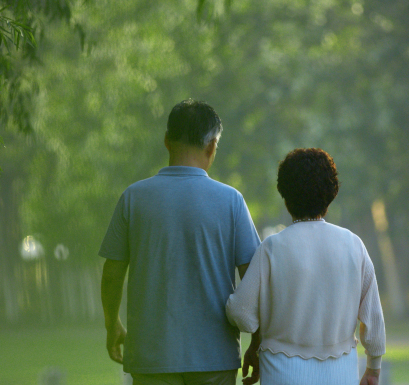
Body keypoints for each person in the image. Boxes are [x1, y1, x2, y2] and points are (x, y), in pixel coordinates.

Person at [100, 99, 261, 385]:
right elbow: (254, 279)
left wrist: (112, 325)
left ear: (166, 141)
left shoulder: (133, 198)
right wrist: (257, 342)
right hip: (215, 357)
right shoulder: (231, 201)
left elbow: (112, 275)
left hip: (151, 358)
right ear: (212, 146)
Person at [226, 148, 386, 385]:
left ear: (285, 194)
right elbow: (373, 321)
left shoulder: (271, 248)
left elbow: (241, 312)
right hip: (340, 375)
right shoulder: (354, 245)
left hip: (282, 374)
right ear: (332, 192)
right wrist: (373, 368)